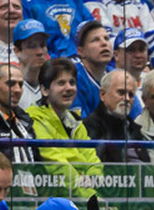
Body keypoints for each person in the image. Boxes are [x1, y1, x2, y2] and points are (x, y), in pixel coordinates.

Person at [27, 58, 102, 192]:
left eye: (72, 82)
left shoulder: (75, 121)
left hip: (85, 193)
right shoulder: (34, 119)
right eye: (61, 83)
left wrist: (93, 178)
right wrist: (95, 202)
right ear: (44, 90)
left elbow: (93, 160)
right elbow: (57, 167)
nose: (68, 88)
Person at [82, 69, 147, 164]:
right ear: (102, 94)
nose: (127, 99)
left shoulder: (135, 129)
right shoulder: (90, 127)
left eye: (131, 94)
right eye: (121, 93)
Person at [12, 19, 50, 111]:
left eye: (42, 45)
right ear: (17, 51)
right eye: (32, 46)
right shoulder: (10, 87)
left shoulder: (53, 84)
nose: (40, 52)